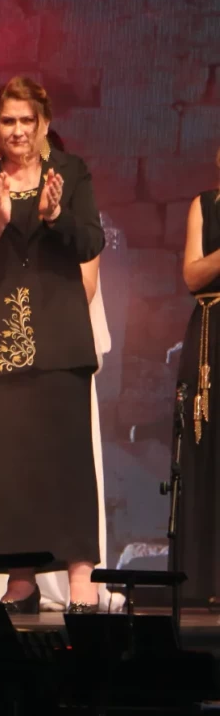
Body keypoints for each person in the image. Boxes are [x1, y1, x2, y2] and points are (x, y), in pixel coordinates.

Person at [0, 76, 105, 613]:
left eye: (27, 121)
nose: (17, 130)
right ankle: (21, 580)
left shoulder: (71, 172)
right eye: (8, 120)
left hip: (58, 338)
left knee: (65, 459)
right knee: (7, 463)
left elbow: (91, 240)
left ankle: (81, 574)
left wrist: (56, 216)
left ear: (44, 124)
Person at [175, 146, 220, 608]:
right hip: (213, 334)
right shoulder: (206, 205)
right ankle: (207, 578)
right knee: (207, 448)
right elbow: (192, 275)